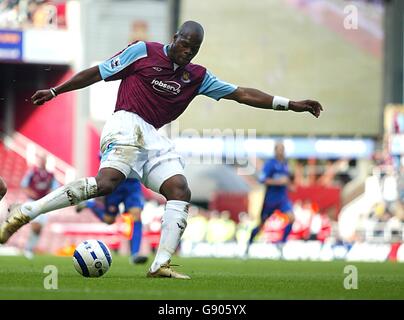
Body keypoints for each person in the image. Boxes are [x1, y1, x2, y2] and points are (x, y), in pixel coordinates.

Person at [0, 20, 323, 279]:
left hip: (152, 136)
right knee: (106, 184)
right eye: (185, 44)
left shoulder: (197, 77)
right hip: (126, 122)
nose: (188, 52)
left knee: (180, 190)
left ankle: (161, 265)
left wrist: (291, 105)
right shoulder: (142, 52)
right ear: (175, 37)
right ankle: (26, 213)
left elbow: (241, 94)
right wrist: (56, 91)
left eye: (194, 49)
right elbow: (98, 73)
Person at [76, 177, 148, 264]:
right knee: (109, 220)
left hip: (132, 183)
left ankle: (135, 254)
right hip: (115, 183)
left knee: (136, 215)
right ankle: (91, 204)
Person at [245, 141, 295, 255]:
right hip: (270, 200)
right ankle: (248, 244)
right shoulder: (270, 164)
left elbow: (285, 180)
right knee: (261, 224)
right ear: (275, 151)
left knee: (292, 218)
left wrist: (289, 185)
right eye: (279, 149)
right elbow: (262, 180)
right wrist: (279, 182)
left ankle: (281, 243)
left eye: (283, 149)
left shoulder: (285, 164)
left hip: (282, 199)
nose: (281, 151)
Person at [20, 155, 59, 258]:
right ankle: (28, 249)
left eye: (44, 160)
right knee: (35, 225)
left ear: (46, 162)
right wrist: (30, 192)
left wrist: (50, 194)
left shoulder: (50, 175)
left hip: (44, 203)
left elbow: (55, 187)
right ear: (39, 161)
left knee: (39, 229)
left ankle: (31, 249)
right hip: (32, 202)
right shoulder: (33, 172)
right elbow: (23, 184)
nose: (43, 162)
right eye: (41, 160)